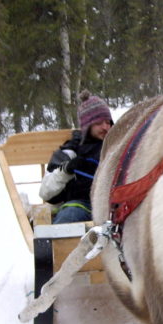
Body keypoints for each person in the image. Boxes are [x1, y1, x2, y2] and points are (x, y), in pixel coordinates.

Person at [39, 90, 113, 224]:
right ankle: (58, 244)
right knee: (68, 215)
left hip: (113, 206)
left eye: (108, 122)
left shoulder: (116, 146)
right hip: (82, 205)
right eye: (99, 123)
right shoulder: (71, 151)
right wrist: (66, 170)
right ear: (87, 125)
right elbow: (45, 192)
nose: (105, 127)